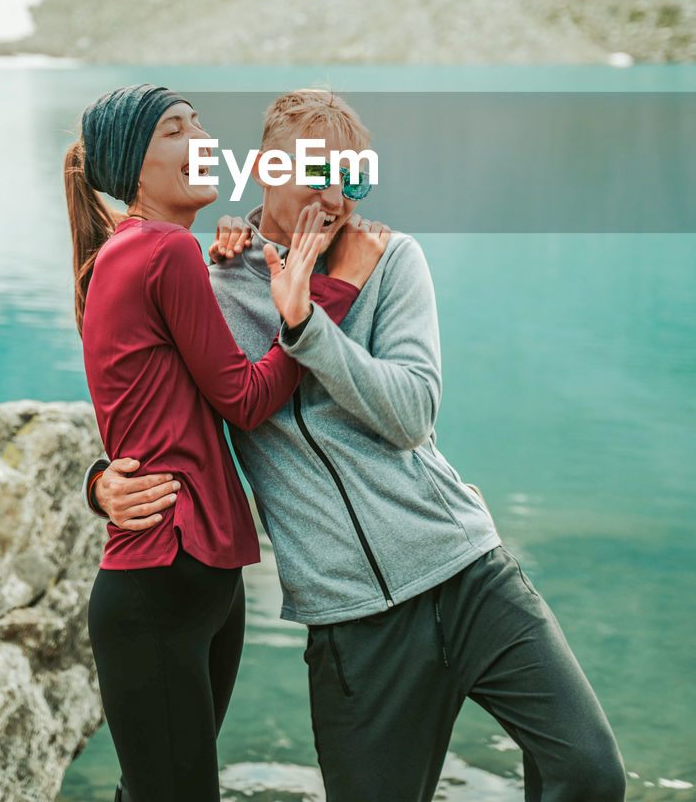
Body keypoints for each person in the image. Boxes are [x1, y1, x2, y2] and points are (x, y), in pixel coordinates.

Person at [88, 87, 627, 802]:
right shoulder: (217, 281)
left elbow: (409, 412)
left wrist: (309, 323)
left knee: (589, 775)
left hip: (465, 571)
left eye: (355, 176)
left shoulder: (390, 260)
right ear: (266, 170)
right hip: (349, 620)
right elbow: (150, 398)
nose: (338, 195)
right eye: (319, 172)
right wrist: (100, 480)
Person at [63, 84, 389, 802]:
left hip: (190, 570)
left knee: (152, 789)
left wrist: (235, 246)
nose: (201, 139)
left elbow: (149, 413)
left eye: (201, 125)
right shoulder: (162, 251)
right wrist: (334, 291)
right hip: (165, 573)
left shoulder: (141, 253)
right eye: (175, 131)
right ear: (133, 170)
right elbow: (243, 399)